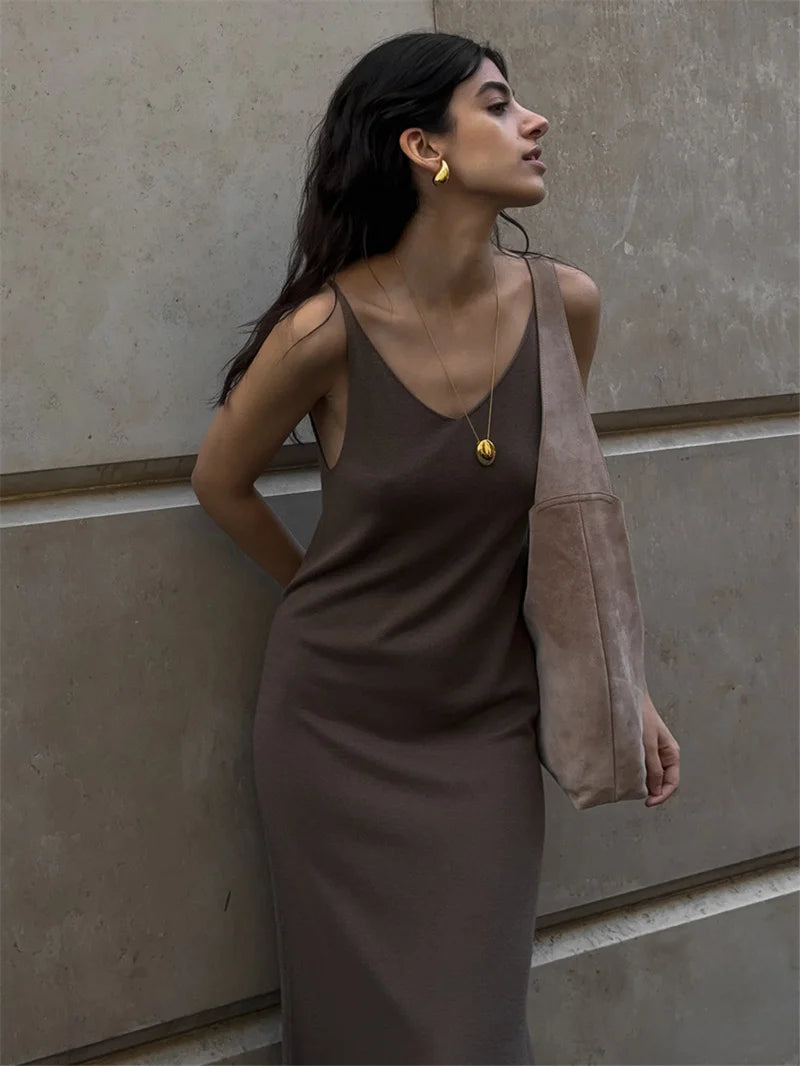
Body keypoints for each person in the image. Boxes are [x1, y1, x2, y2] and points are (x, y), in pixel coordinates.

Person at [191, 29, 681, 1066]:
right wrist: (309, 586)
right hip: (335, 729)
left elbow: (560, 519)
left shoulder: (564, 307)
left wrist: (623, 687)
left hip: (482, 731)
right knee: (358, 1035)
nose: (532, 121)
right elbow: (218, 483)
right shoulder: (322, 329)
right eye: (498, 104)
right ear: (423, 148)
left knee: (469, 1033)